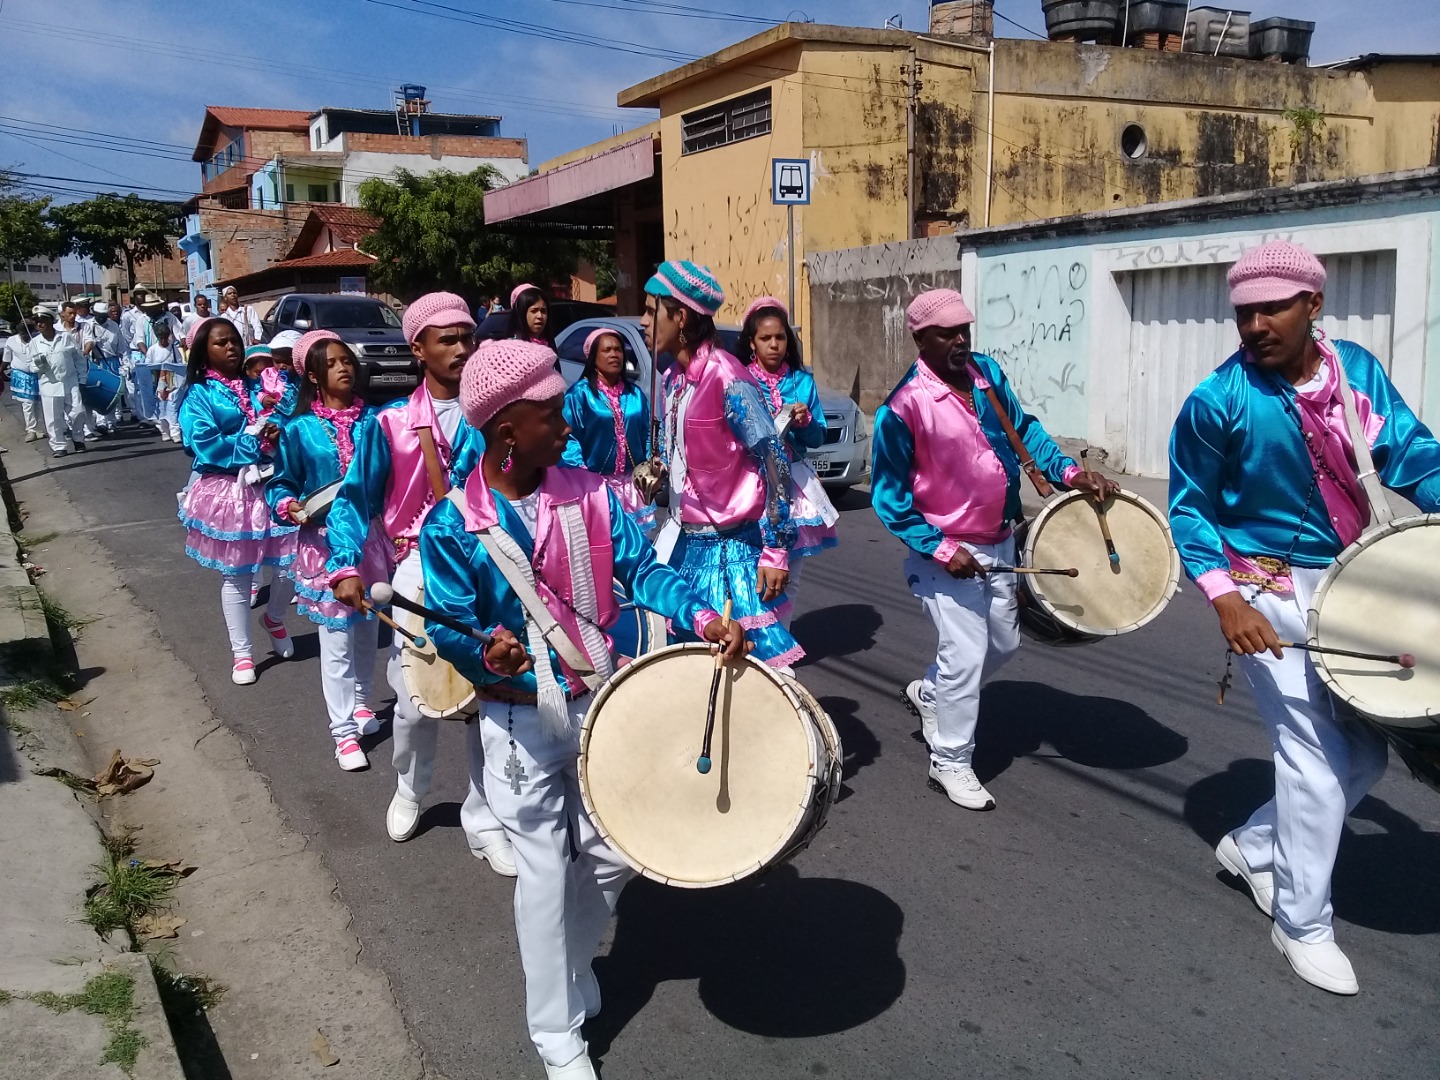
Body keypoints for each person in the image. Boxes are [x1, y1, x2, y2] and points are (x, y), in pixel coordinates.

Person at [420, 338, 746, 1080]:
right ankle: (555, 1032)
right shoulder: (453, 525)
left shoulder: (592, 494)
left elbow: (643, 569)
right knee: (541, 872)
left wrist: (701, 616)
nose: (568, 425)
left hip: (601, 700)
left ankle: (567, 967)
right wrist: (486, 654)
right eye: (553, 414)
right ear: (508, 429)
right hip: (518, 721)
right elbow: (449, 624)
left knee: (615, 850)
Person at [1168, 241, 1440, 995]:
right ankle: (1301, 922)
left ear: (1312, 305)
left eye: (1272, 309)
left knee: (1366, 758)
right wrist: (1224, 596)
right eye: (1243, 313)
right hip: (1262, 589)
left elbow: (1412, 455)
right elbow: (1188, 507)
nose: (1255, 326)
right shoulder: (1218, 400)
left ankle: (1255, 847)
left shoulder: (1356, 372)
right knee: (1314, 762)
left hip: (1352, 581)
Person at [871, 288, 1115, 811]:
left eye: (964, 329)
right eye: (947, 334)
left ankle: (931, 694)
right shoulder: (903, 407)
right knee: (965, 655)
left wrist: (1069, 472)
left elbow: (1024, 430)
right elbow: (889, 500)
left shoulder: (986, 375)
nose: (960, 340)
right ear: (920, 339)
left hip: (1000, 539)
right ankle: (950, 760)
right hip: (946, 553)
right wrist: (939, 548)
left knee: (1003, 644)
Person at [327, 291, 513, 873]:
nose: (462, 348)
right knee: (414, 702)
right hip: (417, 567)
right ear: (418, 349)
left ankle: (484, 819)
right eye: (447, 339)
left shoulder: (496, 416)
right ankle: (411, 786)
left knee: (490, 697)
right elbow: (353, 502)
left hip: (489, 563)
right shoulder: (389, 424)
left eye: (467, 337)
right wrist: (345, 565)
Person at [642, 260, 802, 668]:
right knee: (689, 672)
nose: (643, 321)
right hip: (682, 546)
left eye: (650, 311)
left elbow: (773, 458)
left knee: (752, 676)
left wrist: (775, 549)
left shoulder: (727, 377)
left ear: (680, 317)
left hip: (731, 555)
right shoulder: (672, 379)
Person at [267, 330, 386, 771]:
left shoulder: (374, 422)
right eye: (332, 363)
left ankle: (362, 702)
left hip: (371, 540)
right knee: (335, 641)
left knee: (368, 628)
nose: (343, 368)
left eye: (347, 360)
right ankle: (343, 734)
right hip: (322, 545)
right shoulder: (298, 429)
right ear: (313, 375)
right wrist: (289, 505)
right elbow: (281, 482)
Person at [177, 317, 298, 686]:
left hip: (275, 484)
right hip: (231, 490)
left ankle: (274, 618)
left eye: (234, 340)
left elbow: (293, 418)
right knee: (238, 575)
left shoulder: (261, 384)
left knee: (292, 565)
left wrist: (279, 430)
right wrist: (253, 441)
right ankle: (242, 652)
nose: (231, 347)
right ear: (203, 352)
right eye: (221, 342)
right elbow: (203, 444)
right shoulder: (198, 395)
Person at [739, 296, 839, 626]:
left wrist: (805, 421)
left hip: (793, 487)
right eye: (765, 338)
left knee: (789, 579)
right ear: (752, 342)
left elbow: (818, 438)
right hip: (750, 484)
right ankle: (754, 639)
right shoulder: (739, 381)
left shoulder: (802, 382)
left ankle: (782, 639)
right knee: (751, 573)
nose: (774, 345)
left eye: (780, 337)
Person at [560, 328, 654, 534]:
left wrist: (650, 463)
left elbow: (648, 432)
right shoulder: (580, 394)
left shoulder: (635, 394)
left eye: (618, 350)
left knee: (635, 542)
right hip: (595, 486)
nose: (614, 355)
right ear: (593, 357)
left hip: (631, 486)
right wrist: (583, 475)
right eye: (607, 350)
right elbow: (569, 438)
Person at [29, 308, 94, 456]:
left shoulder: (66, 337)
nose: (39, 324)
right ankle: (59, 446)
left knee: (78, 412)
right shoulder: (34, 343)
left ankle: (78, 439)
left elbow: (79, 359)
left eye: (43, 321)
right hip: (49, 385)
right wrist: (38, 365)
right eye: (37, 322)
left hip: (70, 382)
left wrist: (82, 379)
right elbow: (31, 366)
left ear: (51, 321)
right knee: (53, 418)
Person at [84, 301, 127, 432]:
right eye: (99, 315)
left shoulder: (114, 326)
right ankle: (101, 422)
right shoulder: (88, 325)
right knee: (98, 393)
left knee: (112, 392)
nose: (102, 318)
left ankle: (111, 422)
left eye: (104, 315)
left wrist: (125, 364)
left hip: (112, 362)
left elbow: (122, 347)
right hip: (96, 363)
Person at [146, 320, 185, 443]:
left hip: (172, 379)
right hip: (158, 380)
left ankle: (175, 432)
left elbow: (179, 363)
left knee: (172, 406)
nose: (164, 341)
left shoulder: (173, 348)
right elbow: (148, 365)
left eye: (165, 338)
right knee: (161, 407)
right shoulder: (152, 350)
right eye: (161, 338)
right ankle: (164, 431)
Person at [4, 320, 42, 441]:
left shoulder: (38, 339)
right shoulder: (11, 340)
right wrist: (1, 371)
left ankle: (36, 428)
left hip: (38, 374)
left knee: (36, 403)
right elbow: (6, 359)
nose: (25, 335)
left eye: (28, 332)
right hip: (21, 375)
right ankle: (31, 429)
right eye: (23, 333)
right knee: (27, 402)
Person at [507, 284, 554, 348]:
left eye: (543, 311)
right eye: (534, 311)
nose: (540, 316)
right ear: (521, 313)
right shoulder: (511, 348)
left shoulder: (549, 345)